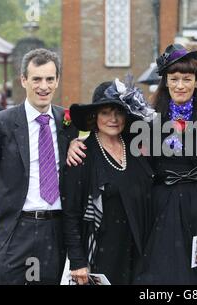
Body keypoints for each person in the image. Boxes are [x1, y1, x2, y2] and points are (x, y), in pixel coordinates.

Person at [67, 43, 197, 284]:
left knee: (194, 277)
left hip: (196, 206)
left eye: (186, 78)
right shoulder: (149, 119)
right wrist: (74, 143)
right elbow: (112, 132)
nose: (180, 85)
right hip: (158, 206)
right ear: (166, 81)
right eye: (174, 79)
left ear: (196, 81)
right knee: (155, 275)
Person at [0, 48, 78, 284]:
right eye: (37, 79)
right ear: (24, 80)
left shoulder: (67, 122)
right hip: (16, 230)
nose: (44, 86)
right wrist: (11, 203)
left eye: (50, 79)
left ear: (57, 80)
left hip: (55, 230)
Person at [63, 79, 155, 285]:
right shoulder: (81, 155)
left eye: (118, 112)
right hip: (102, 254)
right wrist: (77, 261)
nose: (113, 119)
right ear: (94, 116)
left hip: (140, 248)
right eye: (105, 112)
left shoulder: (137, 148)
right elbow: (70, 214)